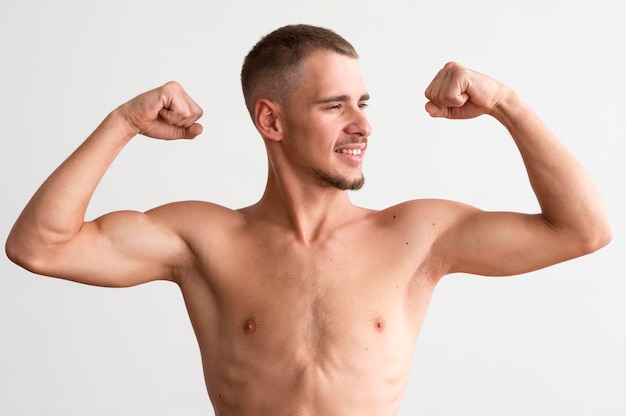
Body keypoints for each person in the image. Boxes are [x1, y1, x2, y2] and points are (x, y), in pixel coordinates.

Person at [5, 24, 612, 415]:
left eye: (363, 104)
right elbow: (41, 246)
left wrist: (506, 102)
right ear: (271, 121)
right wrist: (123, 123)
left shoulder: (417, 235)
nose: (363, 125)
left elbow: (583, 230)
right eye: (335, 106)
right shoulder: (202, 239)